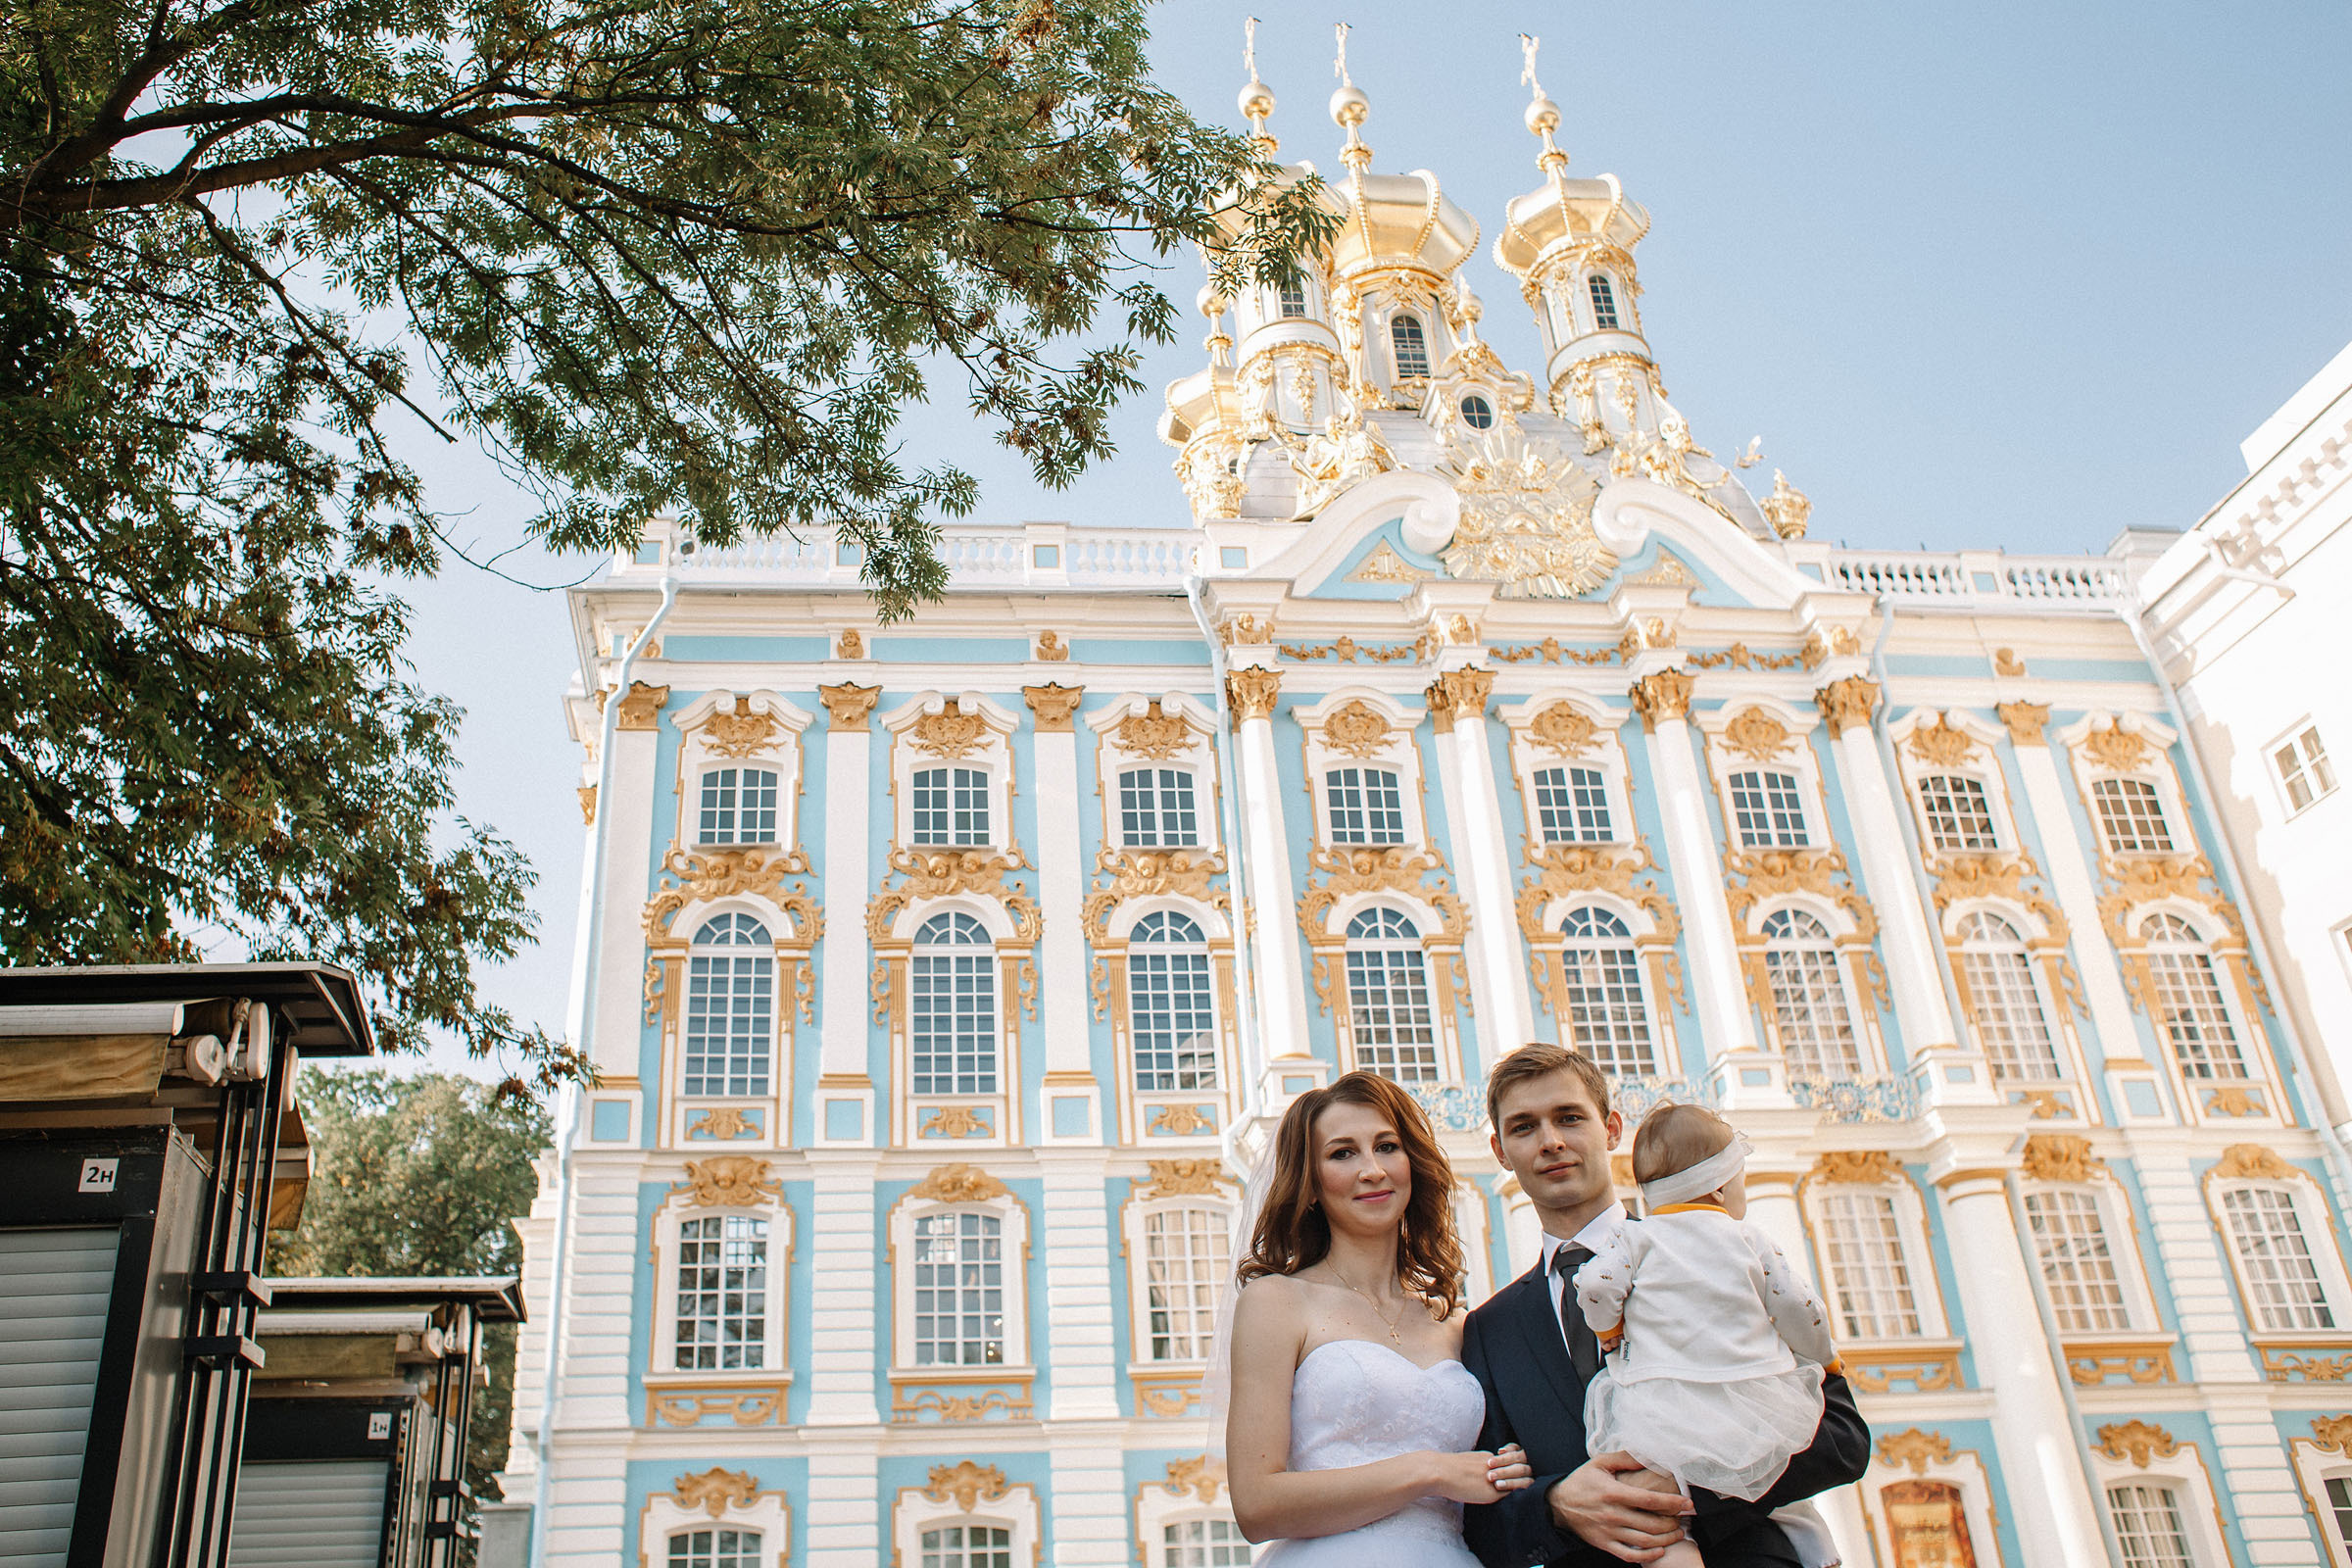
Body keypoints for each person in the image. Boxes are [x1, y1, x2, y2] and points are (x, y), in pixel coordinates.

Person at [1460, 1044, 1870, 1567]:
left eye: (1569, 1117)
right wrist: (1558, 1505)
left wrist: (1689, 1486)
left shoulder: (1725, 1252)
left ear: (1611, 1129)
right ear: (1499, 1150)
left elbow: (1842, 1435)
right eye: (1524, 1127)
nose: (1552, 1141)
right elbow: (1485, 1518)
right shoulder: (1490, 1331)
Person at [1222, 1070, 1534, 1564]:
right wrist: (1430, 1471)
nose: (1372, 1170)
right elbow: (1256, 1506)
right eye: (1343, 1153)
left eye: (1386, 1146)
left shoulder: (1455, 1324)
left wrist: (1505, 1470)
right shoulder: (1276, 1301)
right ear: (1310, 1185)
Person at [1574, 1103, 1842, 1568]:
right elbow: (1800, 1308)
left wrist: (1610, 1329)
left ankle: (1677, 1556)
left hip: (1662, 1404)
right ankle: (1820, 1553)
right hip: (1751, 1397)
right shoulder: (1747, 1238)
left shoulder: (1636, 1239)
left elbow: (1595, 1286)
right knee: (1772, 1479)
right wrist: (1825, 1359)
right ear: (1720, 1189)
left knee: (1659, 1513)